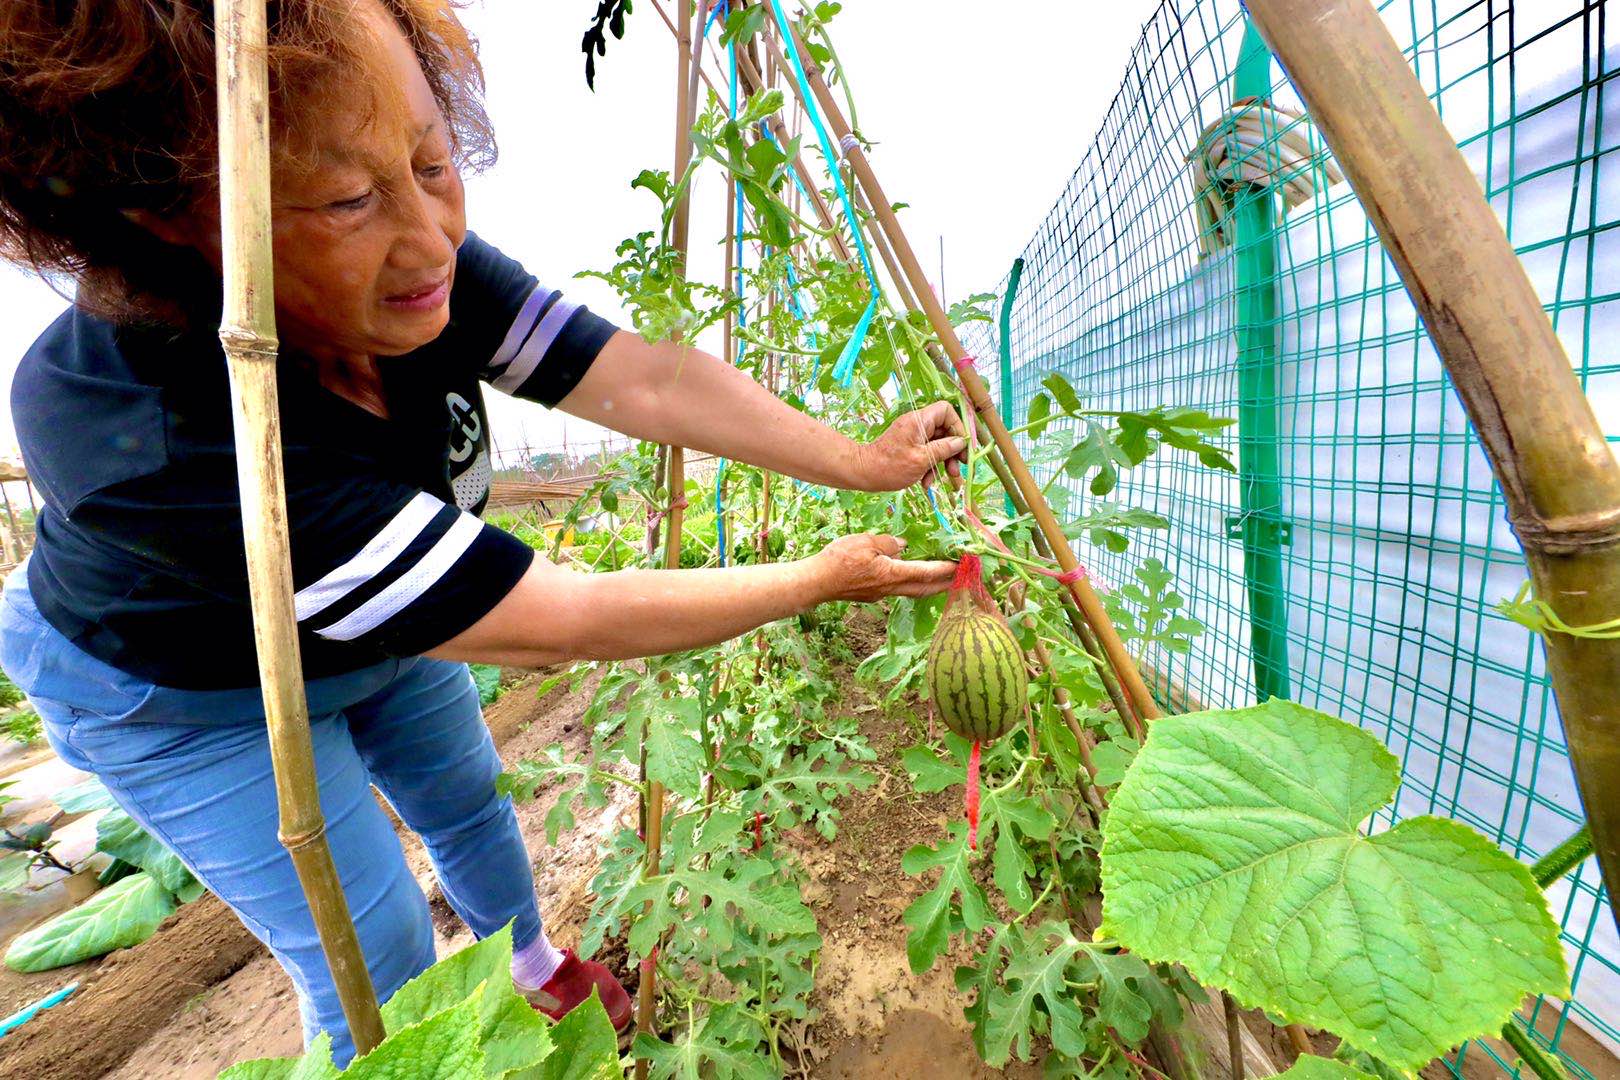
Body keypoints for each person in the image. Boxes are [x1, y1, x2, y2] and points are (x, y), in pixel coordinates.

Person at [0, 0, 964, 1063]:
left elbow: (643, 381)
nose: (432, 239)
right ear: (173, 214)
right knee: (373, 944)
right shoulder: (152, 434)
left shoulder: (414, 271)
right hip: (184, 692)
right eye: (350, 197)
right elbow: (558, 618)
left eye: (433, 162)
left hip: (385, 622)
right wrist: (815, 579)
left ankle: (533, 967)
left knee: (469, 797)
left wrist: (859, 461)